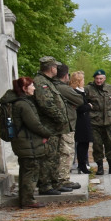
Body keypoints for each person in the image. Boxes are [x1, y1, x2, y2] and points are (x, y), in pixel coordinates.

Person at [5, 77, 53, 208]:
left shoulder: (18, 102)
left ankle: (25, 199)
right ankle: (28, 201)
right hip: (28, 144)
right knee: (30, 171)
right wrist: (47, 133)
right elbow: (34, 124)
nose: (34, 88)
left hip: (24, 143)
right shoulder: (23, 104)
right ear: (24, 88)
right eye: (31, 85)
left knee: (26, 170)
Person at [32, 56, 72, 193]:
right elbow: (46, 104)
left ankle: (55, 183)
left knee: (54, 157)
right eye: (55, 67)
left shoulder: (48, 82)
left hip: (55, 128)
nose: (57, 69)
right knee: (48, 157)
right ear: (51, 68)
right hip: (48, 127)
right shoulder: (41, 82)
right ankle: (45, 185)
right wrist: (61, 118)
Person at [85, 69, 111, 175]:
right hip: (95, 123)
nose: (98, 81)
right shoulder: (88, 89)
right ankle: (100, 167)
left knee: (110, 144)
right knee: (97, 146)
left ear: (104, 78)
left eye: (101, 78)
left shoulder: (110, 89)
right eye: (97, 78)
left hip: (108, 122)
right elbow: (84, 103)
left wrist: (109, 112)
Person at [71, 70, 93, 174]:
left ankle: (83, 164)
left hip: (84, 120)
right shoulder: (76, 92)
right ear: (78, 81)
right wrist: (89, 106)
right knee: (82, 144)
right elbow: (79, 107)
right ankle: (82, 165)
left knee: (85, 144)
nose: (84, 81)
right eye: (82, 79)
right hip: (80, 121)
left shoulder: (81, 91)